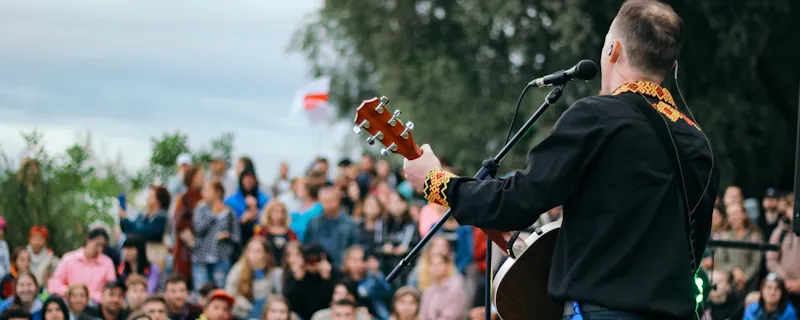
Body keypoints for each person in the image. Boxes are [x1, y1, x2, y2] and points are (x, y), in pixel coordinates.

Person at [402, 0, 719, 318]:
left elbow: (520, 200)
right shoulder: (697, 141)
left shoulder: (597, 116)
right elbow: (693, 244)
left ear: (613, 50)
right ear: (670, 64)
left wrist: (438, 182)